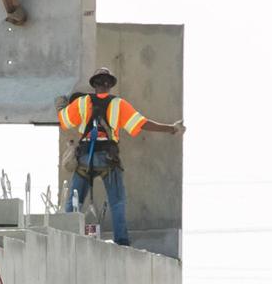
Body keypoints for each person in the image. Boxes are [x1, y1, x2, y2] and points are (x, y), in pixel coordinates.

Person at [55, 67, 185, 246]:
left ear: (94, 85)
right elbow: (142, 123)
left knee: (74, 201)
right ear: (109, 85)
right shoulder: (118, 104)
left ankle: (66, 236)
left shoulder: (82, 102)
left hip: (86, 157)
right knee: (117, 201)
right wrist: (171, 128)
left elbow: (64, 121)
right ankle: (122, 241)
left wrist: (61, 106)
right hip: (108, 159)